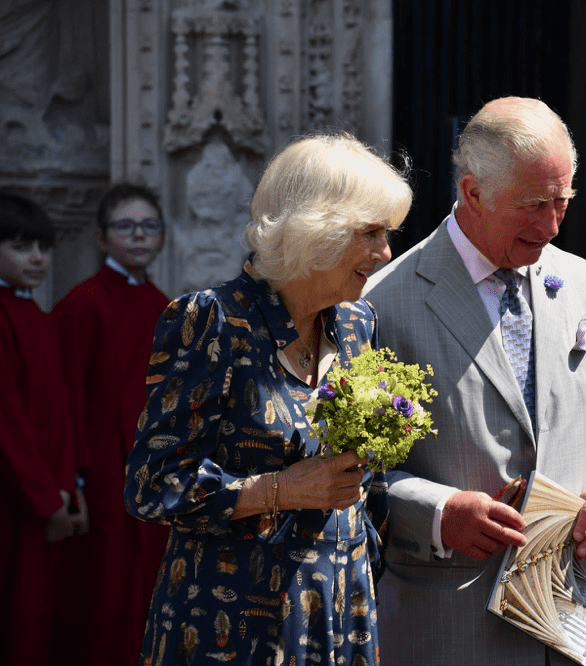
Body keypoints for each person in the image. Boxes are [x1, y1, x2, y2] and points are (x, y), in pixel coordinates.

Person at [363, 96, 586, 665]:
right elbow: (351, 478)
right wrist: (441, 515)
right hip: (452, 632)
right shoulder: (384, 302)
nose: (551, 224)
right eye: (532, 204)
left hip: (573, 625)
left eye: (562, 201)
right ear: (471, 192)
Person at [123, 132, 412, 666]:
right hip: (227, 628)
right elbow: (151, 486)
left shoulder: (356, 324)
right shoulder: (212, 323)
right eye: (369, 233)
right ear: (314, 231)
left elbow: (367, 486)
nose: (385, 253)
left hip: (339, 615)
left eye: (386, 234)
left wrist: (365, 558)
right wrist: (278, 490)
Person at [52, 182, 171, 666]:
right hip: (102, 468)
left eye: (149, 227)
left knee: (150, 586)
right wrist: (74, 474)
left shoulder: (164, 302)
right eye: (125, 226)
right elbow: (64, 397)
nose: (138, 237)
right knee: (104, 589)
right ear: (101, 239)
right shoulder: (82, 303)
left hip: (154, 468)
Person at [0, 193, 88, 666]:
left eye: (42, 246)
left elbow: (63, 410)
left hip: (47, 497)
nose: (36, 257)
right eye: (19, 246)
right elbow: (6, 421)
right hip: (15, 497)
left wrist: (71, 485)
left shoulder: (40, 318)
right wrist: (45, 499)